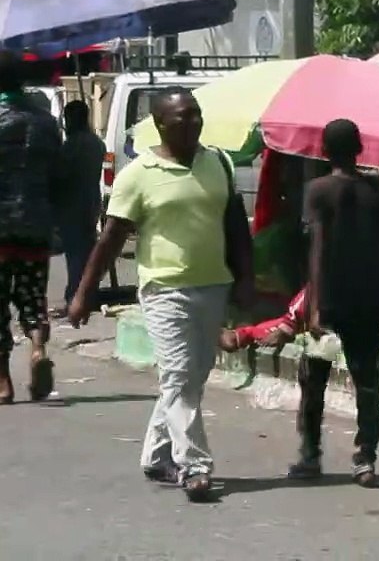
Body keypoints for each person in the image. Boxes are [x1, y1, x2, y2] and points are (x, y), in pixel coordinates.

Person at [68, 87, 254, 502]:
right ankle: (194, 466)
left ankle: (156, 456)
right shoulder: (138, 174)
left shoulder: (218, 162)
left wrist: (245, 278)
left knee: (191, 377)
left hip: (214, 284)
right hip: (165, 289)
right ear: (160, 123)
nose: (193, 122)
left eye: (196, 114)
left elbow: (235, 225)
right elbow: (110, 239)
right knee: (179, 376)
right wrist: (84, 294)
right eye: (182, 116)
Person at [288, 119, 379, 488]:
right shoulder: (378, 189)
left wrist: (313, 304)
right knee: (367, 382)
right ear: (360, 148)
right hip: (367, 295)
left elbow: (317, 247)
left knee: (313, 380)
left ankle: (310, 454)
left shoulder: (317, 190)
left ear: (324, 151)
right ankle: (365, 457)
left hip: (330, 296)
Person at [0, 50, 63, 403]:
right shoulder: (45, 122)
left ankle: (2, 382)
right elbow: (57, 171)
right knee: (32, 295)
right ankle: (38, 348)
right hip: (36, 223)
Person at [53, 100, 106, 319]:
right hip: (91, 203)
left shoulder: (73, 145)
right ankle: (86, 293)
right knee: (86, 253)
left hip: (73, 205)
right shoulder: (96, 143)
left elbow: (61, 175)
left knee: (76, 255)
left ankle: (75, 297)